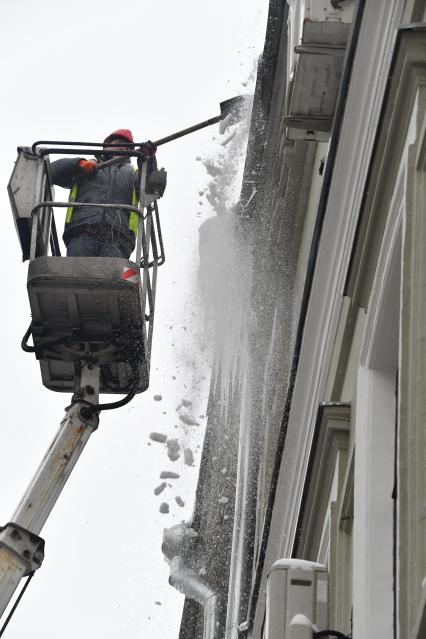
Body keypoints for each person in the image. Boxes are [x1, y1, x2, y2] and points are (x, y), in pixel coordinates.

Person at [50, 129, 166, 258]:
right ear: (105, 147)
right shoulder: (86, 168)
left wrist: (148, 160)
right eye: (118, 143)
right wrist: (78, 164)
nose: (122, 147)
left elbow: (152, 187)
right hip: (82, 232)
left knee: (112, 276)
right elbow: (50, 171)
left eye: (126, 146)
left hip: (117, 238)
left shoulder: (133, 174)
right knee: (76, 272)